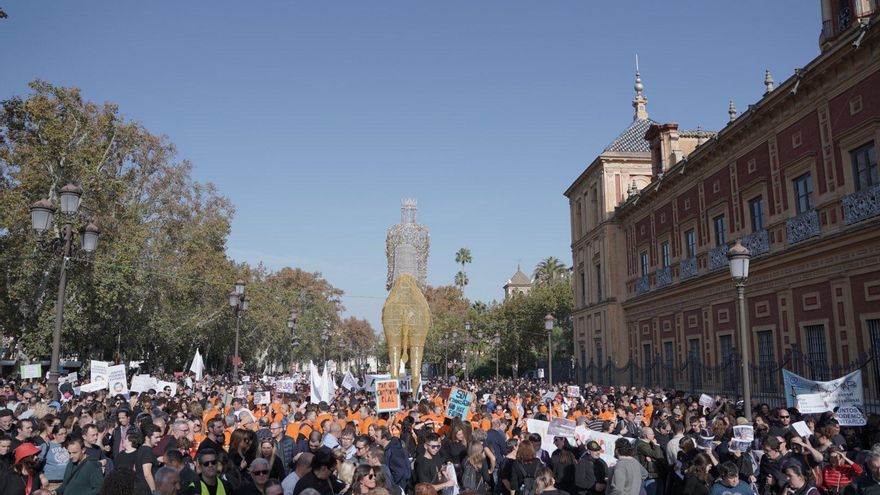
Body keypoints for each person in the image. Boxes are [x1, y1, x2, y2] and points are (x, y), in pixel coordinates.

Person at [376, 427, 410, 493]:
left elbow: (399, 471)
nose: (374, 438)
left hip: (396, 488)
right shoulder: (386, 449)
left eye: (376, 436)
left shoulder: (394, 450)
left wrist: (390, 485)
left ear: (384, 438)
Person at [43, 424, 70, 490]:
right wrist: (41, 477)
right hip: (51, 483)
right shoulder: (46, 446)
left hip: (66, 482)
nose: (64, 436)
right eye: (60, 434)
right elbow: (38, 464)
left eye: (65, 433)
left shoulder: (68, 445)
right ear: (54, 435)